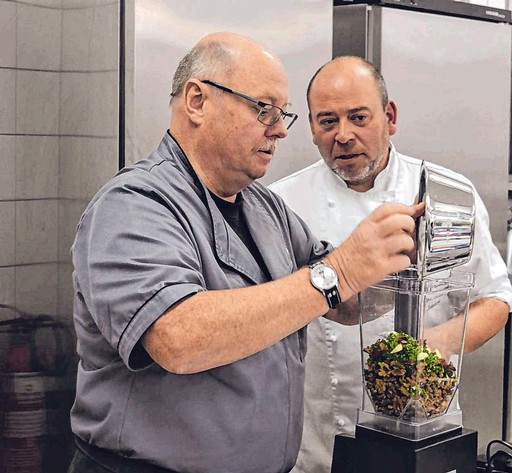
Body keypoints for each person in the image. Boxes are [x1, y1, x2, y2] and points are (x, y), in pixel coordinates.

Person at [67, 35, 423, 473]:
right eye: (264, 109)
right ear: (197, 100)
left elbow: (344, 305)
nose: (280, 129)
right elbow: (178, 339)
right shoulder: (132, 205)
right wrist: (341, 271)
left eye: (283, 114)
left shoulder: (265, 208)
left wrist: (406, 256)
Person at [270, 56, 512, 473]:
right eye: (327, 122)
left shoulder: (448, 196)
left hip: (426, 434)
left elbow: (495, 300)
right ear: (311, 128)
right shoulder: (280, 204)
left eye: (359, 117)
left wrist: (430, 346)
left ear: (390, 116)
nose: (343, 135)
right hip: (316, 447)